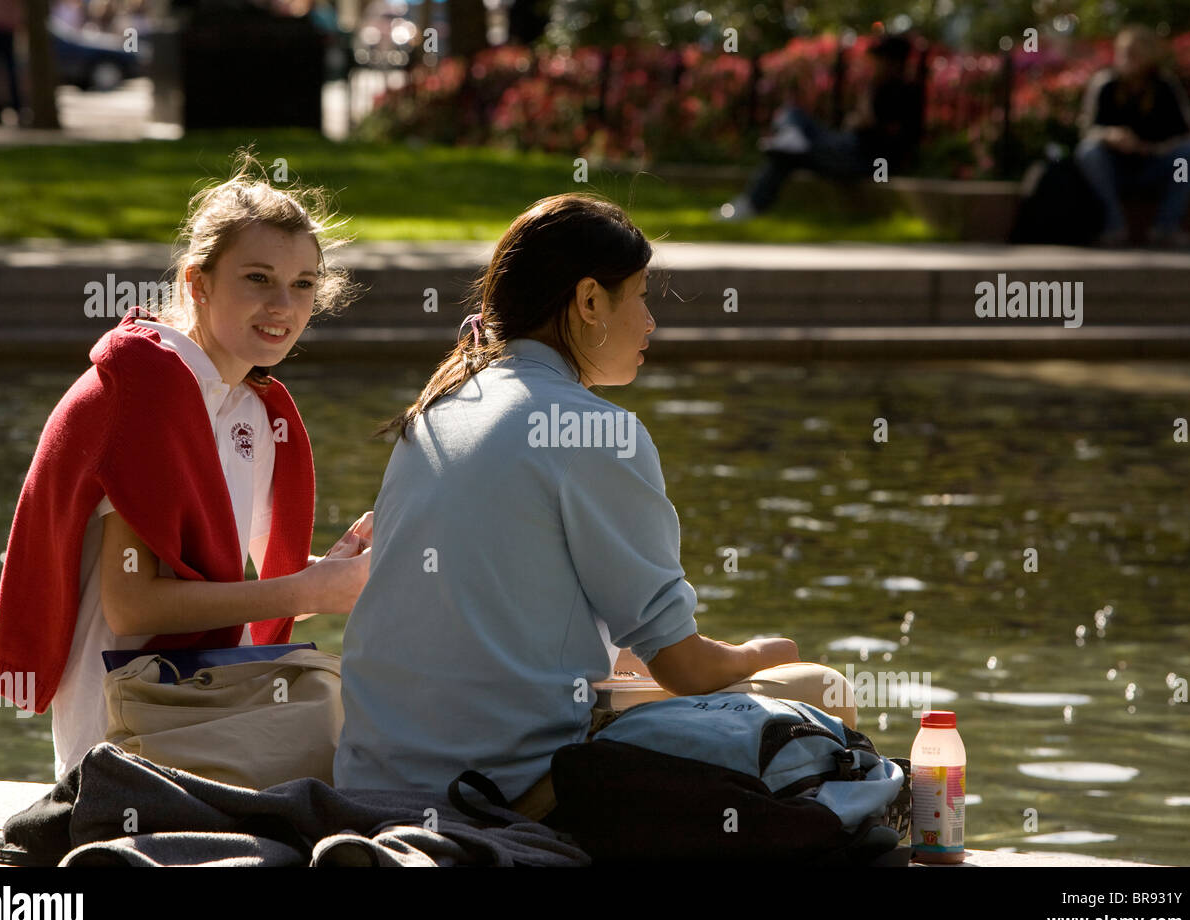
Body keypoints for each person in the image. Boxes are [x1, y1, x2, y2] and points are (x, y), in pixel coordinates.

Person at [334, 193, 859, 819]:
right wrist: (763, 652)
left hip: (370, 781)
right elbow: (686, 668)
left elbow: (513, 629)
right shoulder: (593, 431)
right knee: (820, 689)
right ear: (589, 301)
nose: (651, 322)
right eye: (639, 295)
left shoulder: (440, 410)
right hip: (499, 797)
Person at [0, 153, 373, 780]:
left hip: (198, 711)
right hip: (124, 743)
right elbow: (134, 606)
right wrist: (307, 591)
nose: (284, 305)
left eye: (304, 284)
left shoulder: (250, 404)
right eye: (257, 278)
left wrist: (332, 577)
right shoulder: (147, 393)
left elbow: (224, 588)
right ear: (197, 282)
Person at [717, 34, 924, 223]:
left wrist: (866, 117)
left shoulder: (906, 93)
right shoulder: (877, 87)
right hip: (845, 145)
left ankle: (752, 203)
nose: (874, 65)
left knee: (784, 154)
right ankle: (790, 138)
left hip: (864, 159)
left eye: (878, 59)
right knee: (792, 113)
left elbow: (890, 138)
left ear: (893, 62)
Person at [1074, 24, 1190, 247]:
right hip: (1113, 169)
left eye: (1135, 53)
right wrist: (1110, 136)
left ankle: (1166, 227)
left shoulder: (1165, 86)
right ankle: (1114, 226)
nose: (1128, 59)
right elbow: (1087, 131)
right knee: (1088, 152)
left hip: (1155, 167)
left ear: (1149, 55)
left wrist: (1153, 149)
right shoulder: (1105, 85)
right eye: (1124, 53)